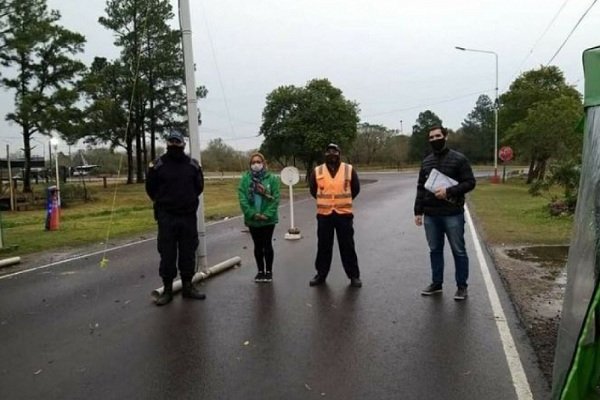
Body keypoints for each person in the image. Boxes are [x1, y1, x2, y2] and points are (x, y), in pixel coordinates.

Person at [414, 125, 476, 300]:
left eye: (437, 136)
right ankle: (436, 284)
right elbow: (420, 188)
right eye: (431, 137)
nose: (435, 139)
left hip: (452, 214)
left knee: (459, 251)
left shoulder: (459, 159)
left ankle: (462, 286)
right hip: (431, 216)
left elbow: (470, 182)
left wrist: (449, 191)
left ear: (445, 136)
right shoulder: (426, 162)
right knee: (435, 250)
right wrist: (418, 211)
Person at [145, 130, 206, 306]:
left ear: (183, 144)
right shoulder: (158, 165)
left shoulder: (192, 165)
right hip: (166, 216)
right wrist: (164, 202)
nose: (174, 144)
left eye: (177, 142)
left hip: (187, 216)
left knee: (188, 252)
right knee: (167, 253)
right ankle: (168, 290)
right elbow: (150, 188)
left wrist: (186, 200)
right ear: (167, 143)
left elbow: (199, 187)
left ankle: (188, 287)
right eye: (171, 141)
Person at [309, 143, 362, 288]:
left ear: (339, 153)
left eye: (334, 151)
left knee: (348, 246)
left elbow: (355, 189)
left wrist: (343, 202)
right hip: (324, 215)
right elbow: (313, 190)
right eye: (328, 152)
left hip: (343, 215)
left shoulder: (349, 169)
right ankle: (321, 274)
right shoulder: (318, 171)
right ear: (325, 155)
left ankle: (354, 276)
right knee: (323, 246)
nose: (331, 154)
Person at [238, 152, 280, 282]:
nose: (256, 164)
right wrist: (252, 214)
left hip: (268, 220)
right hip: (253, 219)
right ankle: (260, 271)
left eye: (258, 162)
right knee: (257, 245)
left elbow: (275, 198)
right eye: (253, 162)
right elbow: (242, 198)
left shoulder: (271, 179)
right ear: (250, 165)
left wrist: (266, 215)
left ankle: (269, 271)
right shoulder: (245, 179)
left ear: (263, 163)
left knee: (267, 244)